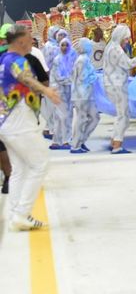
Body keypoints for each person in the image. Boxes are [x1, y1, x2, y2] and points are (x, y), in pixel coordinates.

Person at [0, 23, 62, 231]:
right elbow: (25, 77)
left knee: (19, 169)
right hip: (18, 120)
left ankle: (15, 214)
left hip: (7, 121)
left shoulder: (4, 60)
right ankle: (21, 213)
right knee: (39, 163)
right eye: (28, 37)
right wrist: (46, 91)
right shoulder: (17, 61)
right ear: (20, 41)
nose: (31, 41)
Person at [101, 24, 136, 154]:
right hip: (116, 85)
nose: (127, 41)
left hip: (112, 84)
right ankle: (117, 145)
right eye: (126, 38)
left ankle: (114, 141)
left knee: (122, 115)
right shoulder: (116, 49)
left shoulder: (110, 47)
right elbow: (128, 64)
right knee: (123, 116)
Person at [69, 37, 101, 154]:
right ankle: (75, 145)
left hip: (87, 93)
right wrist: (95, 77)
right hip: (81, 94)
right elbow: (82, 77)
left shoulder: (85, 58)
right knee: (81, 119)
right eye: (89, 44)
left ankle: (81, 140)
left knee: (95, 117)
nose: (91, 46)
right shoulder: (82, 60)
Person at [47, 32, 75, 150]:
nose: (64, 47)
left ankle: (62, 141)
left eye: (66, 45)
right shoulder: (57, 60)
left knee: (66, 116)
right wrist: (71, 80)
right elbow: (59, 77)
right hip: (59, 92)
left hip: (68, 92)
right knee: (60, 116)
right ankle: (60, 141)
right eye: (62, 45)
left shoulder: (71, 60)